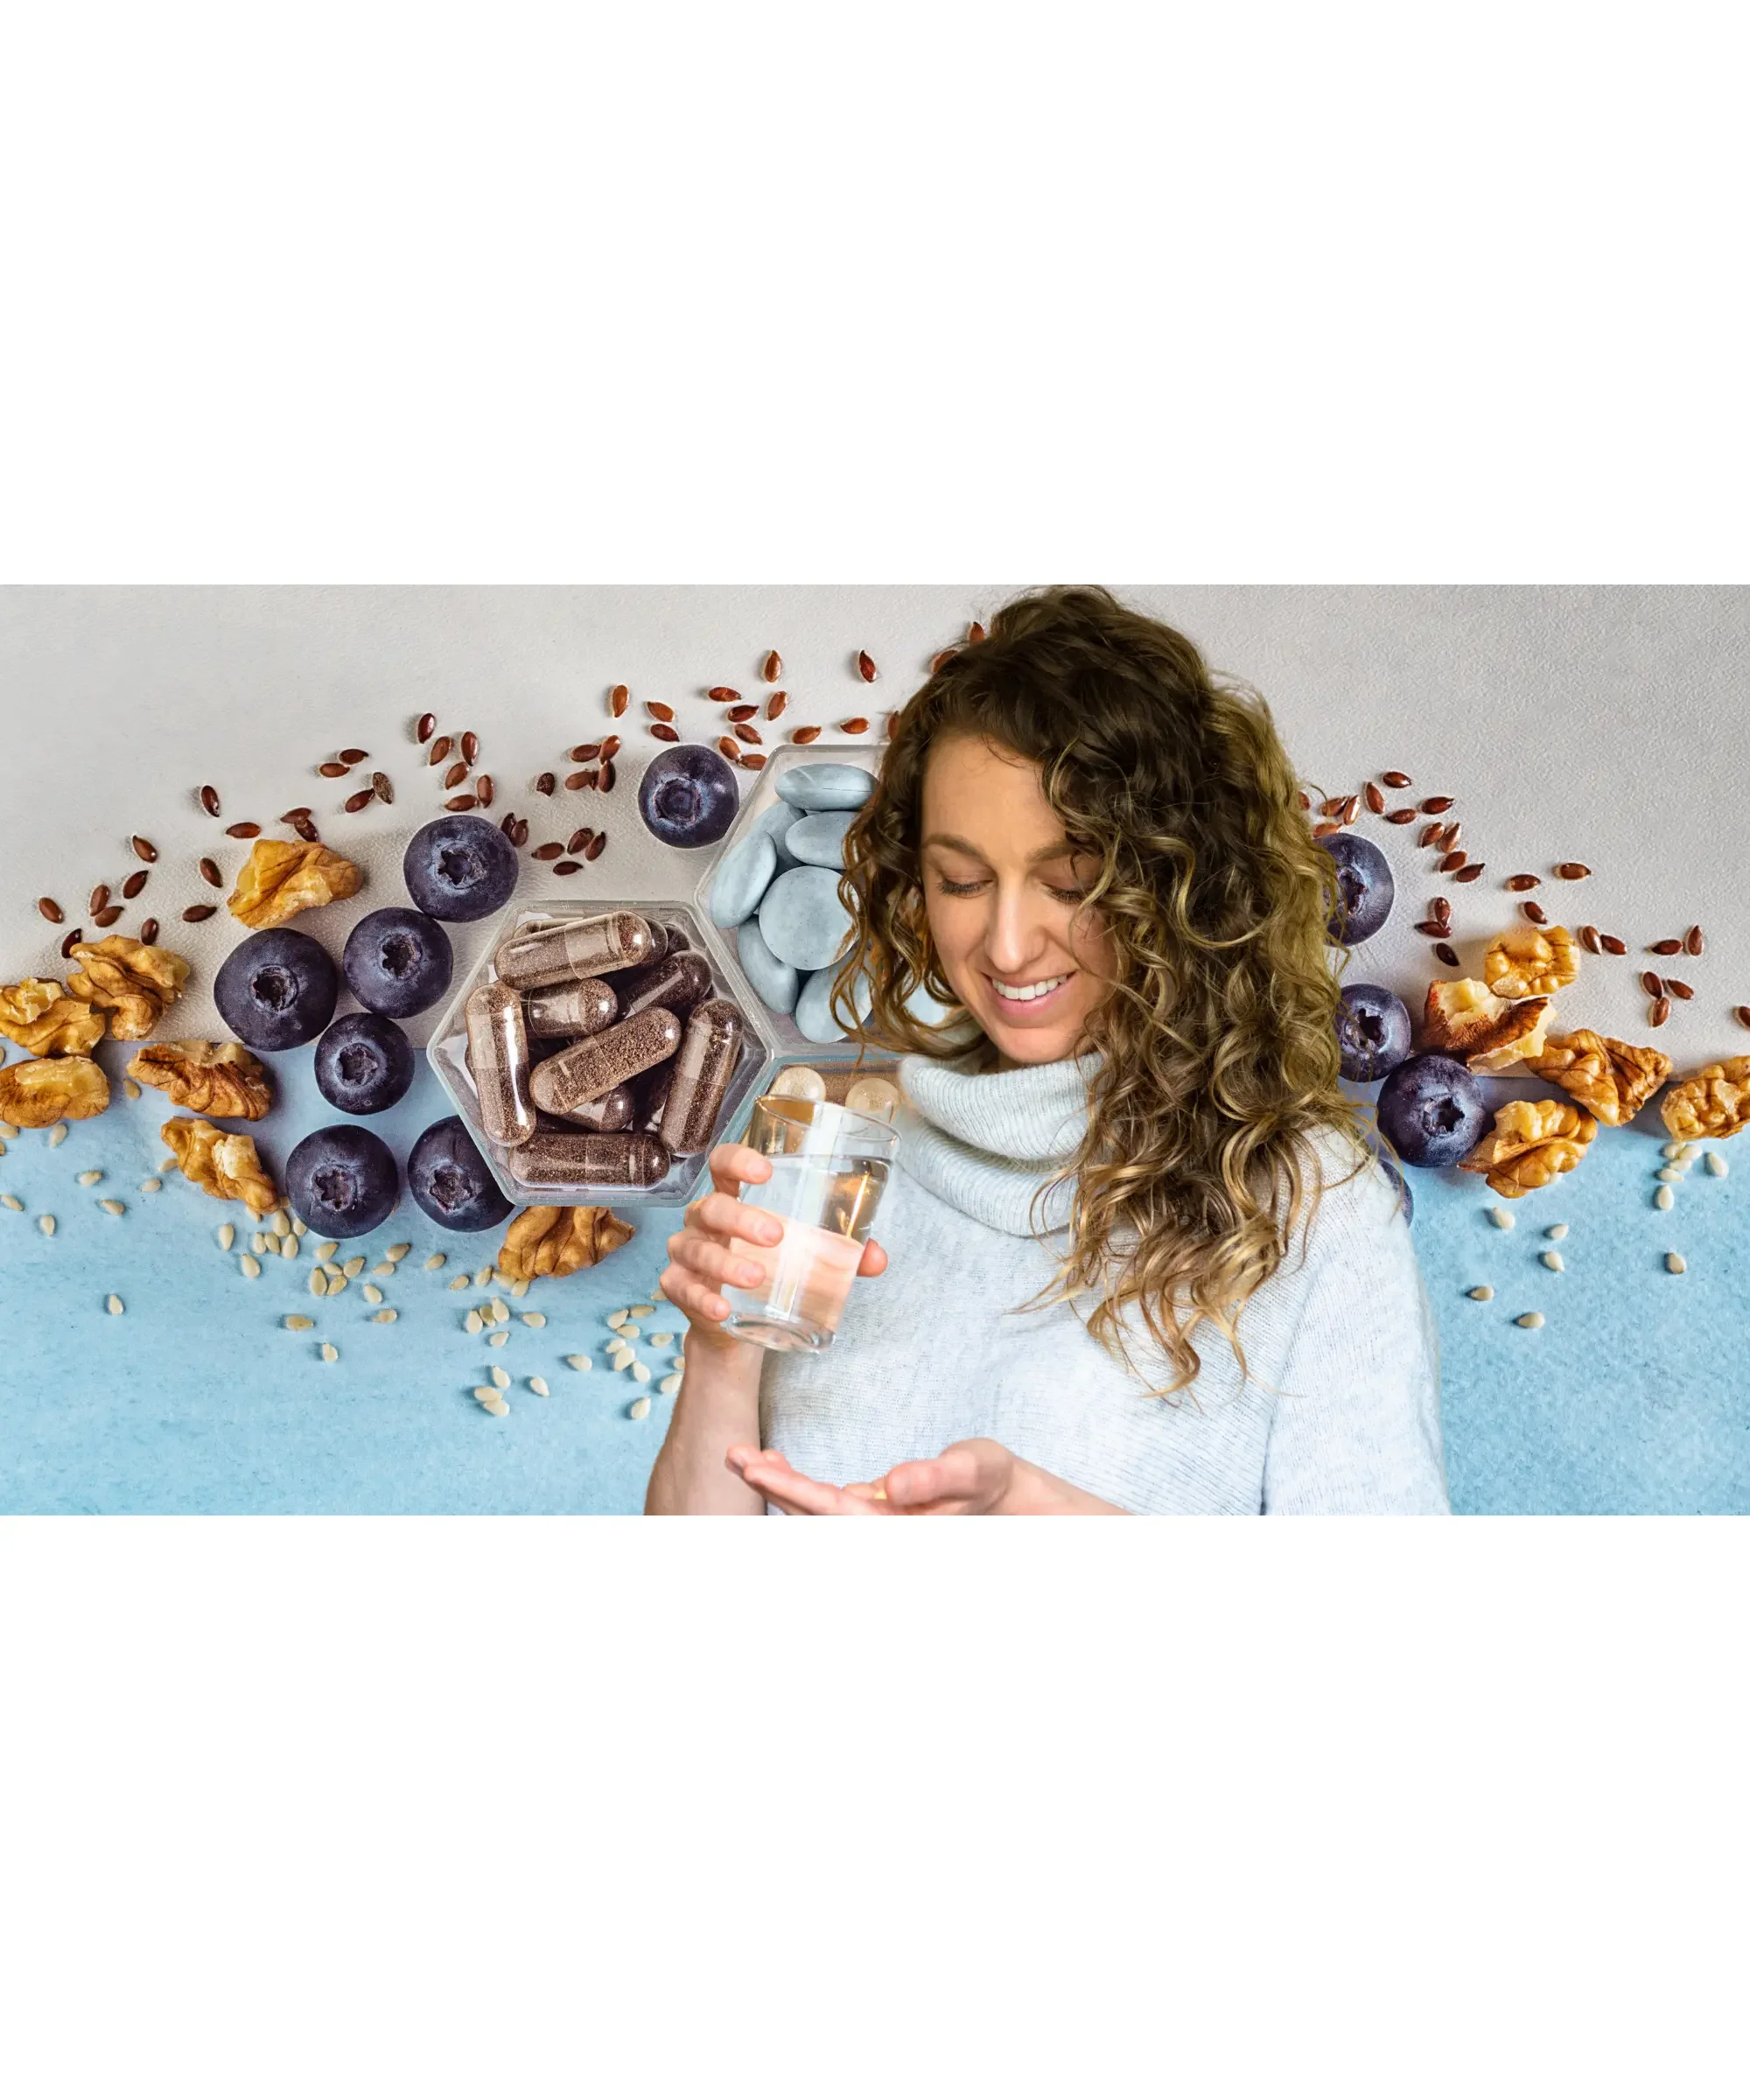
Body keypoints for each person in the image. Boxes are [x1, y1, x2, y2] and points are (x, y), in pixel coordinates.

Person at [645, 585, 1447, 1516]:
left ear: (1181, 884)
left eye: (1068, 882)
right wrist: (719, 1353)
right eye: (961, 879)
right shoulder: (840, 1164)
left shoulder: (1310, 1208)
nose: (1008, 946)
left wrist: (1039, 1519)